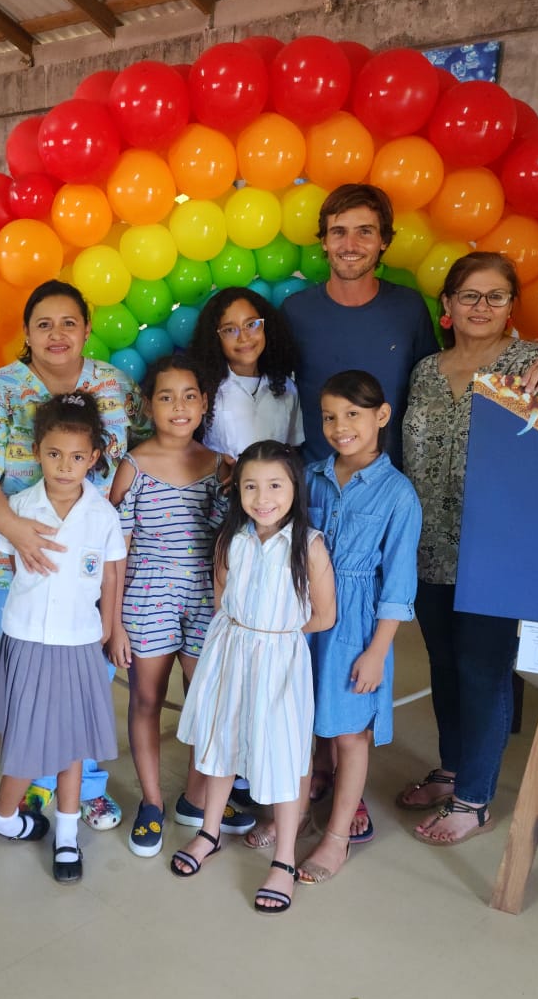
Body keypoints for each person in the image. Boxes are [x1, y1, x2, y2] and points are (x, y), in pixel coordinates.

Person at [0, 280, 146, 831]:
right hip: (21, 563)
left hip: (93, 563)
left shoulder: (116, 387)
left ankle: (89, 788)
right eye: (43, 324)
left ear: (86, 328)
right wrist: (9, 532)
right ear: (27, 334)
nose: (57, 334)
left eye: (68, 323)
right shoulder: (0, 390)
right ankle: (36, 783)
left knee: (90, 679)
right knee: (33, 683)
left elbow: (147, 454)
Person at [399, 251, 538, 845]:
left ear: (511, 307)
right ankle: (452, 769)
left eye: (495, 296)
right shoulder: (426, 370)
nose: (481, 307)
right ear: (447, 306)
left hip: (495, 550)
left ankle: (475, 798)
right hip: (425, 547)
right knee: (445, 666)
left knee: (484, 670)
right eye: (469, 296)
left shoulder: (532, 364)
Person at [172, 441, 336, 915]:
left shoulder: (309, 546)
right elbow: (222, 597)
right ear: (238, 490)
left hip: (280, 662)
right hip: (230, 652)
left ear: (294, 489)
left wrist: (275, 635)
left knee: (283, 756)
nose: (262, 497)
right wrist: (246, 637)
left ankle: (283, 861)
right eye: (250, 486)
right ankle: (209, 831)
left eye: (275, 486)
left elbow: (324, 616)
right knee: (220, 744)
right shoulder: (232, 540)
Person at [0, 393, 126, 884]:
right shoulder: (17, 508)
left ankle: (67, 835)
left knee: (73, 743)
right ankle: (3, 813)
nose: (66, 466)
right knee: (28, 740)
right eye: (54, 454)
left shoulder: (103, 514)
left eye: (78, 456)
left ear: (95, 457)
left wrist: (108, 628)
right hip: (29, 638)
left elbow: (110, 577)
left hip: (81, 642)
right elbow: (4, 564)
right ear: (38, 451)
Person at [107, 354, 242, 857]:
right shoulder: (133, 466)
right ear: (148, 405)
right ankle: (151, 803)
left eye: (189, 396)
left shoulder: (223, 466)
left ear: (204, 403)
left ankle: (196, 797)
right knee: (145, 699)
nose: (179, 407)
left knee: (204, 703)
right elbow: (113, 556)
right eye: (166, 397)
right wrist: (114, 624)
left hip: (207, 600)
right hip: (146, 598)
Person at [295, 371, 421, 883]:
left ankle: (337, 837)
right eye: (330, 416)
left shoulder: (398, 494)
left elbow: (398, 585)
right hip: (307, 617)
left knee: (351, 734)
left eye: (353, 414)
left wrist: (376, 651)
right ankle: (295, 812)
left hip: (359, 625)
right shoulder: (310, 476)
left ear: (381, 416)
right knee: (302, 720)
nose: (340, 426)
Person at [281, 183, 439, 466]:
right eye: (339, 232)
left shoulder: (409, 307)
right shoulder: (295, 311)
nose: (350, 245)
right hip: (316, 488)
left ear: (384, 241)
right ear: (324, 241)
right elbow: (267, 391)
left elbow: (436, 388)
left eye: (364, 232)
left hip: (392, 486)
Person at [189, 286, 303, 461]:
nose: (244, 337)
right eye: (229, 330)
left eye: (251, 325)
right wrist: (217, 462)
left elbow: (293, 449)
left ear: (266, 327)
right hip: (219, 486)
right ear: (214, 338)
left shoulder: (287, 388)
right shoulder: (204, 390)